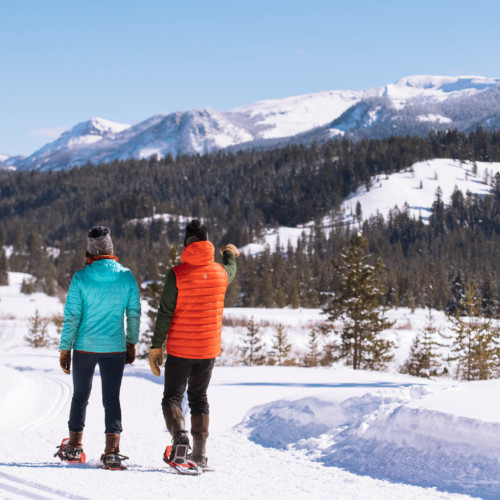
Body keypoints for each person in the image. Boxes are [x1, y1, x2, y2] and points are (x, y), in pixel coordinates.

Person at [149, 219, 239, 469]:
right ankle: (199, 454)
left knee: (172, 399)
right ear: (207, 242)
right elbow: (231, 269)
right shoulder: (221, 273)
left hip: (180, 350)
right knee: (199, 397)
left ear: (186, 243)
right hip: (208, 351)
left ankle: (180, 438)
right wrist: (230, 253)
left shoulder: (176, 275)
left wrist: (156, 347)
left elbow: (165, 313)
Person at [56, 226, 141, 470]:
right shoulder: (126, 276)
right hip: (114, 347)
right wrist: (131, 342)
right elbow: (133, 313)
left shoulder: (81, 277)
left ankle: (73, 448)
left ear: (90, 251)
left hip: (84, 347)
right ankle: (112, 452)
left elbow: (72, 316)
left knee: (80, 397)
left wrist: (65, 349)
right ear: (111, 248)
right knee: (111, 399)